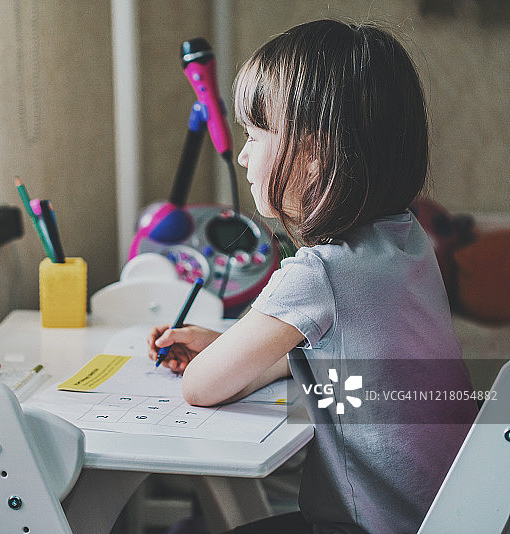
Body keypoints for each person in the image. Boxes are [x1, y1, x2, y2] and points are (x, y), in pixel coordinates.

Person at [147, 19, 477, 534]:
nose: (243, 155)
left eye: (256, 134)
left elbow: (200, 387)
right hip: (448, 517)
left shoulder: (318, 275)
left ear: (317, 153)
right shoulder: (406, 239)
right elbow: (345, 355)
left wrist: (214, 360)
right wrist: (231, 345)